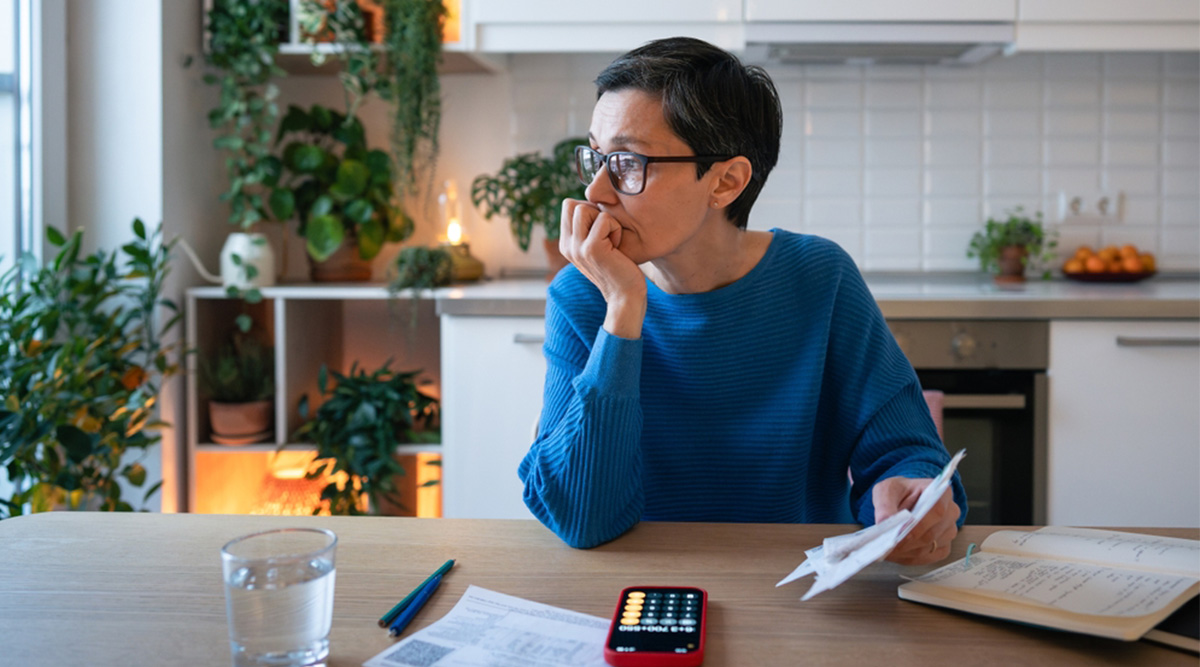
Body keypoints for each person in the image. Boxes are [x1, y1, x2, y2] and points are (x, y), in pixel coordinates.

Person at [518, 37, 966, 563]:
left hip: (796, 593)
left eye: (627, 162)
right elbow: (580, 518)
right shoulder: (584, 295)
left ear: (726, 181)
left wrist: (909, 495)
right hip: (636, 590)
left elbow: (905, 451)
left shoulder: (820, 279)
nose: (596, 191)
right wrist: (622, 313)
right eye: (596, 156)